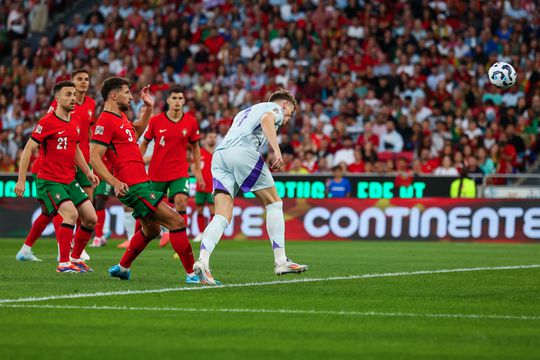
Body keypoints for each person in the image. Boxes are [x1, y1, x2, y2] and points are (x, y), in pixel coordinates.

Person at [193, 89, 308, 285]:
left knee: (221, 215)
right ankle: (281, 261)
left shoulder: (243, 112)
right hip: (242, 153)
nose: (287, 119)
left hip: (220, 156)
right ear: (285, 105)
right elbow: (266, 120)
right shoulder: (274, 108)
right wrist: (277, 150)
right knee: (274, 202)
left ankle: (202, 261)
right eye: (289, 114)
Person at [90, 77, 198, 284]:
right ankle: (193, 274)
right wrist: (114, 182)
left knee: (152, 229)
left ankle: (122, 268)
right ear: (114, 95)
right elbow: (94, 156)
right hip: (133, 186)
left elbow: (137, 130)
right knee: (177, 221)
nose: (131, 97)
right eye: (127, 92)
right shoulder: (105, 120)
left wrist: (149, 107)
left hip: (142, 182)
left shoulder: (120, 118)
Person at [15, 81, 99, 273]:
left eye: (74, 94)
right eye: (68, 94)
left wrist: (87, 171)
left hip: (70, 179)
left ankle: (75, 258)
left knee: (91, 218)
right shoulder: (47, 122)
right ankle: (63, 263)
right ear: (58, 98)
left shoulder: (75, 121)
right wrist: (21, 180)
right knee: (71, 214)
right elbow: (28, 149)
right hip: (50, 180)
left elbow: (76, 148)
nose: (73, 98)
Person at [139, 86, 204, 247]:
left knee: (181, 201)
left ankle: (181, 240)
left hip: (179, 172)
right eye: (174, 98)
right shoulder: (155, 121)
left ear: (184, 101)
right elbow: (145, 143)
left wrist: (199, 172)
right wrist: (137, 164)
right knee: (147, 209)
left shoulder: (191, 122)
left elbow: (195, 147)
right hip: (157, 172)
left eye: (180, 98)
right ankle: (137, 238)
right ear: (168, 100)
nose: (177, 101)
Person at [193, 130, 217, 243]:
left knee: (213, 211)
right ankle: (201, 233)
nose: (212, 139)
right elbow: (194, 167)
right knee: (200, 210)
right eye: (210, 137)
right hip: (200, 186)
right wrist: (199, 178)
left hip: (213, 187)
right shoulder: (200, 152)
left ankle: (211, 234)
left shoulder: (218, 153)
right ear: (206, 139)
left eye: (214, 137)